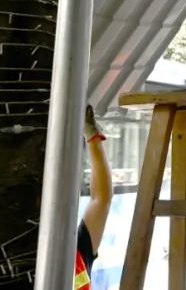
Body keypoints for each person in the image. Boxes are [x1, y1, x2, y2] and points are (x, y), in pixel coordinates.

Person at [75, 105, 112, 289]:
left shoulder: (74, 250)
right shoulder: (75, 252)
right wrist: (92, 138)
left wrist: (92, 138)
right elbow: (101, 200)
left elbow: (101, 199)